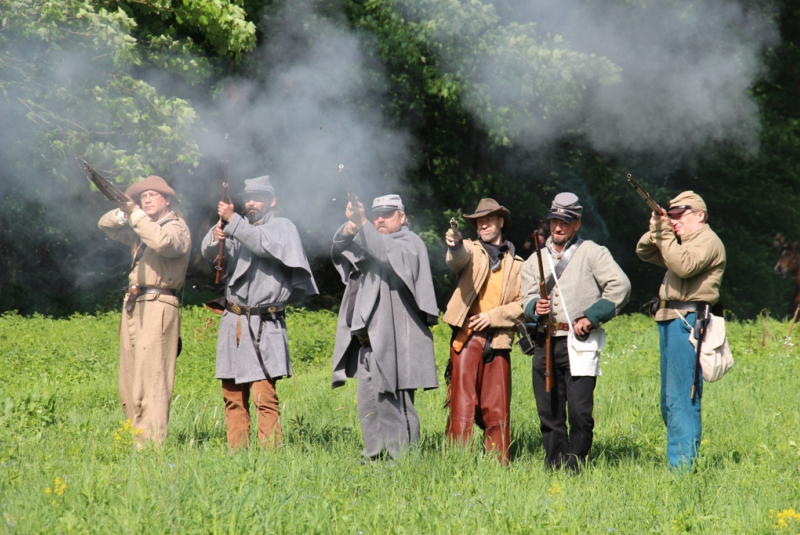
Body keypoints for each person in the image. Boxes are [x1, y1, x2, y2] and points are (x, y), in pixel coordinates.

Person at [201, 176, 318, 451]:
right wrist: (215, 236)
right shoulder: (239, 226)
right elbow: (214, 256)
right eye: (248, 198)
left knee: (263, 394)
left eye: (258, 197)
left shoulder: (282, 227)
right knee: (232, 394)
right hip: (233, 320)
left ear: (272, 201)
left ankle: (269, 459)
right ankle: (236, 454)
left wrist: (233, 223)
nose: (251, 203)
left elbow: (262, 245)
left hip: (264, 323)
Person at [521, 192, 631, 471]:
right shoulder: (535, 259)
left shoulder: (593, 252)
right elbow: (526, 298)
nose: (558, 227)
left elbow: (621, 287)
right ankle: (554, 464)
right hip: (545, 341)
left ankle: (576, 464)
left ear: (576, 224)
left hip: (579, 342)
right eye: (555, 221)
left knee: (581, 413)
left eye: (565, 222)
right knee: (549, 411)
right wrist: (536, 306)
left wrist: (591, 317)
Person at [331, 194, 439, 461]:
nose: (380, 218)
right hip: (367, 343)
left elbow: (385, 254)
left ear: (402, 217)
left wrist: (363, 223)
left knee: (394, 406)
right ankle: (375, 460)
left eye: (388, 213)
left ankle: (403, 464)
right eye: (376, 213)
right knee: (369, 407)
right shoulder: (370, 241)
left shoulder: (410, 243)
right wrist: (351, 227)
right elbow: (338, 250)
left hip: (396, 341)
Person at [98, 175, 191, 448]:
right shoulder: (142, 224)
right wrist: (123, 210)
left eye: (153, 195)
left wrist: (135, 212)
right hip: (135, 304)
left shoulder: (176, 227)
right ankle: (135, 437)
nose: (146, 200)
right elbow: (104, 225)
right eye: (143, 196)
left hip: (159, 304)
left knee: (152, 378)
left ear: (168, 200)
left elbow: (163, 243)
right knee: (129, 380)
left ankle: (149, 445)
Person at [636, 191, 725, 469]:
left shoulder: (707, 241)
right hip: (671, 319)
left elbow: (683, 266)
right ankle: (680, 461)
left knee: (681, 398)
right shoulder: (680, 242)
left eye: (679, 216)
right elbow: (643, 251)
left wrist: (665, 233)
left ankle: (682, 470)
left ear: (700, 215)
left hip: (687, 322)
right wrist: (658, 226)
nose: (675, 221)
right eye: (671, 216)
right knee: (669, 400)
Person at [442, 198, 525, 465]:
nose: (483, 224)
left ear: (501, 221)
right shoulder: (470, 249)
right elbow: (456, 258)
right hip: (466, 341)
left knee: (497, 409)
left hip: (499, 341)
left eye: (489, 218)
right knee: (462, 407)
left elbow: (524, 305)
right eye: (479, 220)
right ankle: (457, 463)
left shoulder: (519, 263)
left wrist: (492, 317)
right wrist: (454, 243)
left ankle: (497, 466)